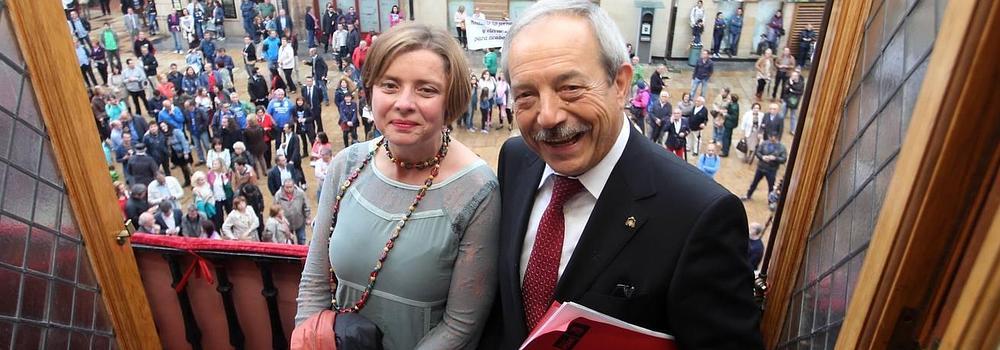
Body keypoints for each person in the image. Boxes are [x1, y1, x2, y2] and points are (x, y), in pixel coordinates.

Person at [484, 2, 763, 349]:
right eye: (526, 95)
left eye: (570, 88)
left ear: (620, 84)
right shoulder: (516, 160)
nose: (548, 116)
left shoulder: (699, 215)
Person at [293, 22, 499, 349]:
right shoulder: (346, 165)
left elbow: (461, 327)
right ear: (371, 89)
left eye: (426, 90)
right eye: (390, 85)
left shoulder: (477, 191)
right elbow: (314, 283)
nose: (404, 102)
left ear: (452, 99)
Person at [743, 133, 786, 201]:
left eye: (774, 138)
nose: (772, 139)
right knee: (754, 183)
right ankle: (748, 195)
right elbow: (758, 152)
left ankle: (770, 200)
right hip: (761, 168)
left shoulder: (781, 147)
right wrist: (762, 157)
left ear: (777, 138)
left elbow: (783, 159)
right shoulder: (764, 144)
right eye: (771, 137)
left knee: (771, 186)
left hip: (771, 169)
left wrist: (775, 158)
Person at [273, 179, 308, 245]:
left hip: (299, 221)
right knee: (289, 242)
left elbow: (306, 205)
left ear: (294, 186)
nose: (289, 189)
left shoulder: (300, 193)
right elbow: (275, 208)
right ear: (283, 186)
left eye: (290, 187)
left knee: (302, 239)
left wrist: (308, 217)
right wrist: (279, 220)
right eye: (287, 187)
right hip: (286, 223)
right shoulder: (278, 195)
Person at [206, 158, 233, 229]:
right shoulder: (209, 174)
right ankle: (221, 228)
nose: (214, 166)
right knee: (219, 215)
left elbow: (228, 185)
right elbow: (209, 185)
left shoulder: (226, 173)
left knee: (230, 212)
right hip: (216, 198)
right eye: (213, 164)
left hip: (226, 196)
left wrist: (225, 177)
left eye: (216, 164)